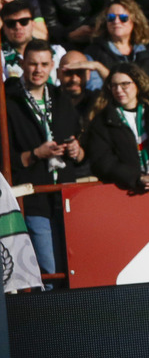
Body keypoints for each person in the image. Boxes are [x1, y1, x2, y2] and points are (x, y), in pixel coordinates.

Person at [6, 42, 86, 278]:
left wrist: (76, 150)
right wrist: (35, 154)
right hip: (35, 199)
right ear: (22, 65)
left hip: (66, 197)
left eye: (43, 64)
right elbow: (6, 160)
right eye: (32, 64)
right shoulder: (8, 102)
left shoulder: (61, 98)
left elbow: (81, 149)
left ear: (53, 66)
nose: (38, 70)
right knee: (50, 270)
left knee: (73, 269)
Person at [84, 62, 149, 192]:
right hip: (124, 192)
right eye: (114, 85)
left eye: (125, 84)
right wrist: (137, 178)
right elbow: (103, 163)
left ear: (138, 84)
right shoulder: (103, 120)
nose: (119, 90)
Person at [87, 0, 149, 100]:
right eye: (111, 17)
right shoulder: (94, 52)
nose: (116, 21)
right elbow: (95, 88)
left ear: (134, 20)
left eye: (123, 18)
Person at [2, 0, 63, 82]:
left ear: (33, 23)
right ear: (4, 27)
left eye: (24, 21)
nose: (18, 27)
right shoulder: (1, 56)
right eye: (11, 23)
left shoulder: (57, 52)